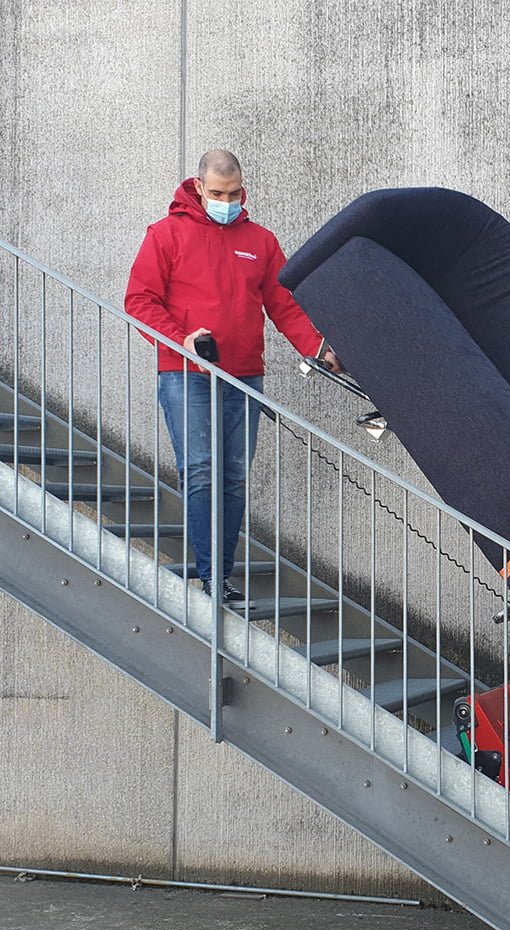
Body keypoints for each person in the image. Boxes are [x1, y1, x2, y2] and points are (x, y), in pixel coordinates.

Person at [125, 149, 340, 602]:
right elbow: (139, 302)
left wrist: (318, 348)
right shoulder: (166, 235)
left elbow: (283, 305)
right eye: (218, 193)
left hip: (244, 377)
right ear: (198, 187)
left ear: (244, 188)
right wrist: (181, 339)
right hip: (187, 373)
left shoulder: (260, 241)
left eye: (235, 192)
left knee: (234, 476)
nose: (228, 200)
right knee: (201, 471)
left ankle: (221, 575)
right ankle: (210, 579)